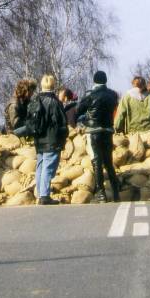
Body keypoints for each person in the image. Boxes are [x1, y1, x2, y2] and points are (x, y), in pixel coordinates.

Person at [14, 75, 68, 205]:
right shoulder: (56, 102)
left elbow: (30, 121)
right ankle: (44, 196)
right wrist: (63, 138)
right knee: (48, 168)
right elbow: (61, 123)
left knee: (40, 166)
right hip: (52, 140)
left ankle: (40, 193)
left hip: (39, 140)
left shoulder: (35, 101)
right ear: (53, 86)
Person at [76, 71, 120, 202]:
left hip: (93, 130)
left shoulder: (90, 94)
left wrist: (83, 120)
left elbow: (79, 110)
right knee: (108, 162)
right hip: (108, 130)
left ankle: (101, 193)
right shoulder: (112, 94)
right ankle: (116, 192)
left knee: (96, 161)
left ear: (94, 80)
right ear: (105, 80)